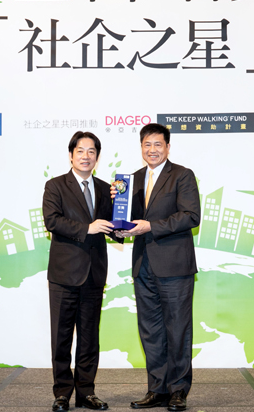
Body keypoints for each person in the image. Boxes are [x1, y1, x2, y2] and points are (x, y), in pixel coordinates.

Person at [116, 123, 201, 412]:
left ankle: (178, 390)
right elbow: (130, 220)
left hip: (174, 265)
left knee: (177, 329)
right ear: (141, 148)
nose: (152, 150)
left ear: (167, 147)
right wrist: (119, 221)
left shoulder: (182, 175)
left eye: (158, 144)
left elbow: (191, 216)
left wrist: (151, 226)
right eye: (147, 145)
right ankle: (157, 389)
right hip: (143, 265)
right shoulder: (133, 179)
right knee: (150, 331)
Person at [42, 131, 122, 411]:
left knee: (89, 338)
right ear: (71, 155)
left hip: (94, 274)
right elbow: (52, 221)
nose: (86, 156)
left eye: (91, 152)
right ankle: (62, 393)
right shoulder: (55, 186)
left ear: (97, 157)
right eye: (80, 151)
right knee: (61, 337)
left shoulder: (105, 188)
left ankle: (86, 392)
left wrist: (122, 215)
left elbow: (113, 228)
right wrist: (87, 228)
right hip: (64, 275)